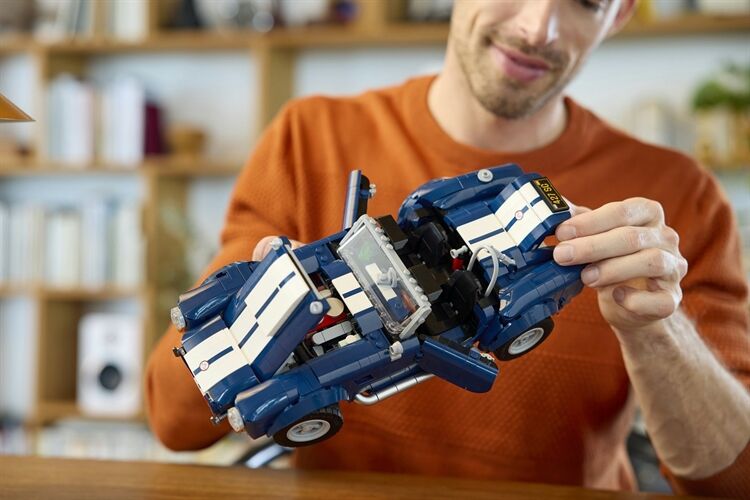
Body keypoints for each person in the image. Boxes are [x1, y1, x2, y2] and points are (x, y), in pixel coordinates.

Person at [145, 0, 750, 495]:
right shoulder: (309, 138)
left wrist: (658, 331)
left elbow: (733, 481)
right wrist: (252, 295)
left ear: (618, 15)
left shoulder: (672, 201)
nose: (537, 27)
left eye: (586, 2)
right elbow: (173, 423)